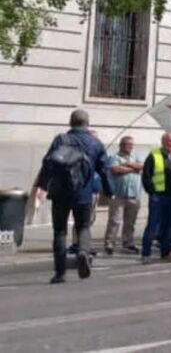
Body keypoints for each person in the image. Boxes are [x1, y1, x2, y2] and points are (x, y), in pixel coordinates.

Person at [34, 109, 109, 284]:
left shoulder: (61, 139)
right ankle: (83, 251)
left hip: (60, 193)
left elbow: (47, 163)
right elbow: (104, 169)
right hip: (84, 193)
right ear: (87, 123)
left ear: (70, 122)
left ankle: (60, 273)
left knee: (60, 231)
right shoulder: (95, 143)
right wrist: (109, 191)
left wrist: (43, 185)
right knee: (83, 227)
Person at [139, 132, 171, 264]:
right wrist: (152, 192)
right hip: (158, 197)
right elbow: (146, 176)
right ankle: (146, 253)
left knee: (170, 225)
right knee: (153, 225)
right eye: (169, 141)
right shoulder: (154, 155)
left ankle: (166, 252)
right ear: (163, 142)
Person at [104, 136, 142, 256]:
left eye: (130, 144)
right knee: (115, 221)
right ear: (121, 145)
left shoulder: (136, 156)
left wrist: (128, 164)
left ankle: (128, 243)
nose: (128, 146)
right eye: (126, 144)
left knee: (130, 222)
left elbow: (142, 166)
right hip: (118, 195)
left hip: (134, 194)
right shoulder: (114, 157)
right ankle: (110, 243)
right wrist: (132, 169)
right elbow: (116, 169)